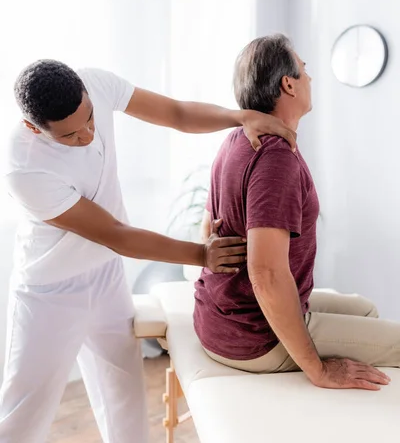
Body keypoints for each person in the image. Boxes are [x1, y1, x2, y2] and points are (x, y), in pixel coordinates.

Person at [0, 59, 297, 443]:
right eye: (71, 136)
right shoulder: (24, 168)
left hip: (105, 276)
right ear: (33, 128)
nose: (88, 135)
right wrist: (201, 255)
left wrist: (240, 117)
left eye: (90, 120)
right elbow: (117, 234)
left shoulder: (96, 83)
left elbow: (175, 113)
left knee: (124, 400)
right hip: (50, 292)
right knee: (24, 414)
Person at [194, 33, 400, 391]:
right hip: (255, 338)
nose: (310, 79)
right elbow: (267, 275)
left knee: (364, 308)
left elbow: (207, 226)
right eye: (304, 71)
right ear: (288, 84)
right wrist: (319, 371)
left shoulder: (237, 139)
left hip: (219, 317)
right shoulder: (274, 157)